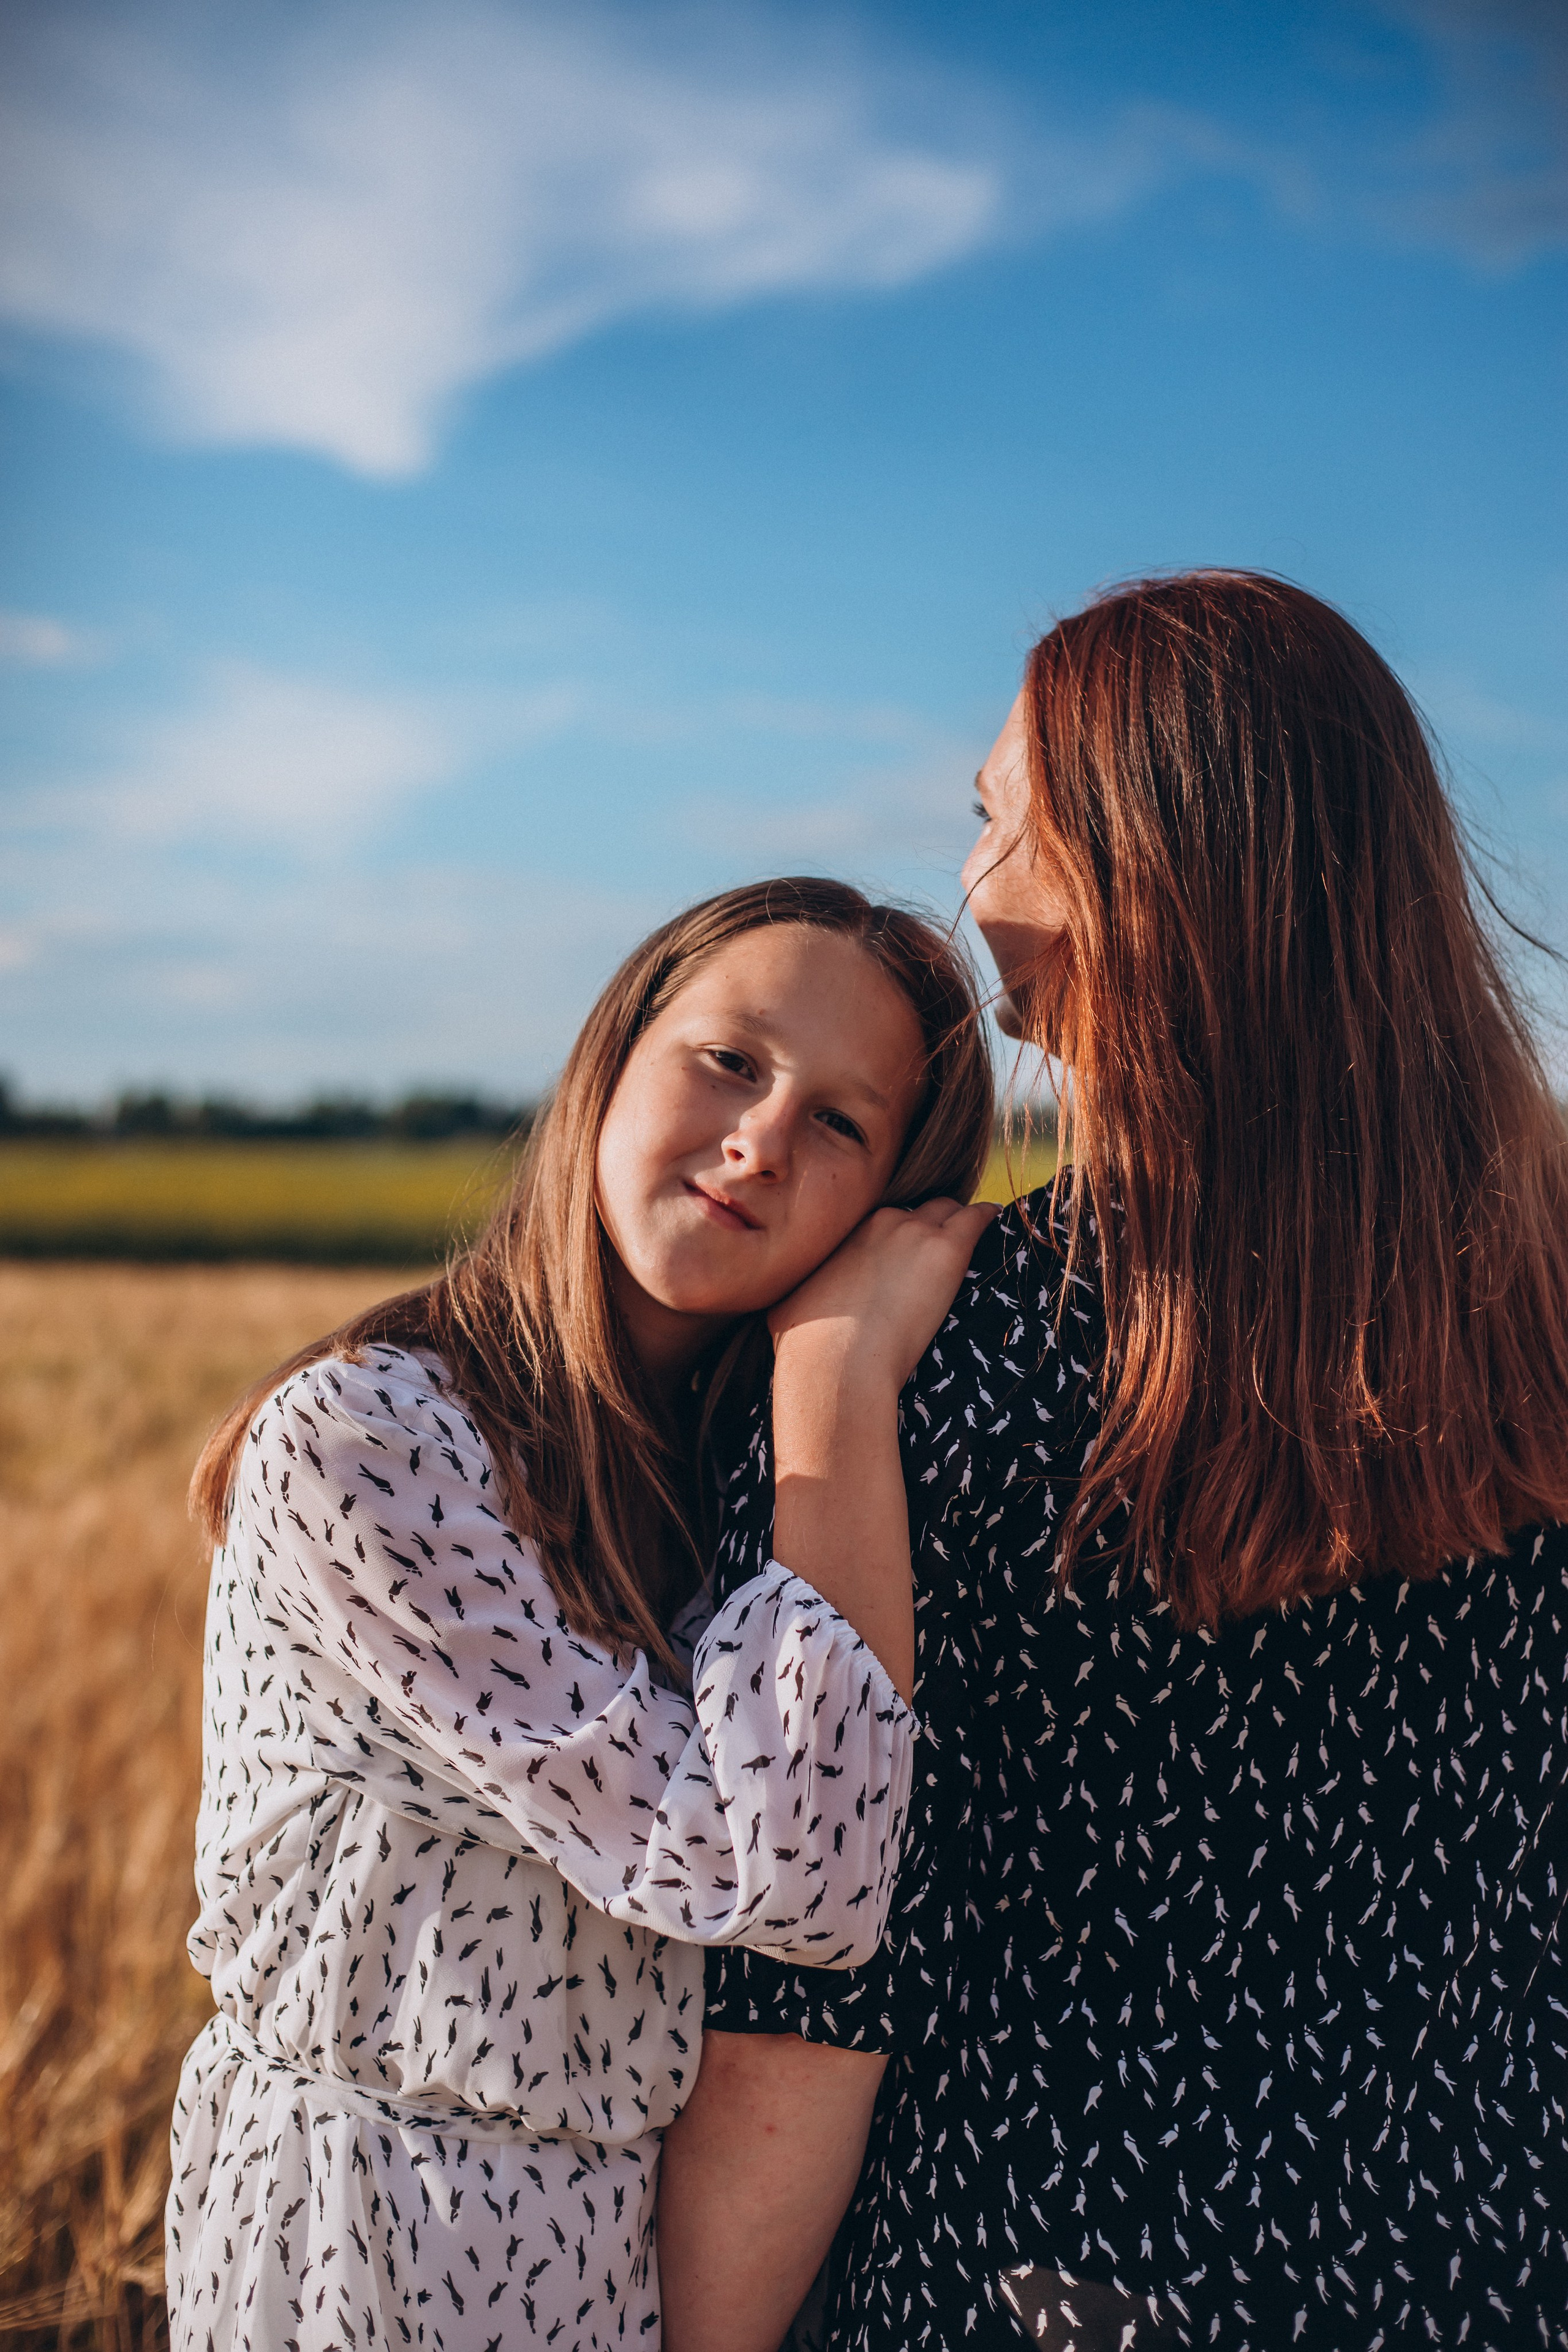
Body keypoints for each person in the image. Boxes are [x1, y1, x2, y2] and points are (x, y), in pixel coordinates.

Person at [657, 577, 1568, 2351]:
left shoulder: (919, 1360)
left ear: (1141, 874)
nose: (977, 883)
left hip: (1027, 2296)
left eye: (1005, 819)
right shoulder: (1538, 1338)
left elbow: (806, 1976)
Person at [164, 877, 997, 2352]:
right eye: (731, 1061)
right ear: (612, 1052)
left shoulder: (715, 1487)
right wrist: (838, 1381)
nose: (757, 1141)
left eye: (840, 1124)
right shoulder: (375, 1444)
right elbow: (787, 1883)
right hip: (374, 2240)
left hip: (611, 2247)